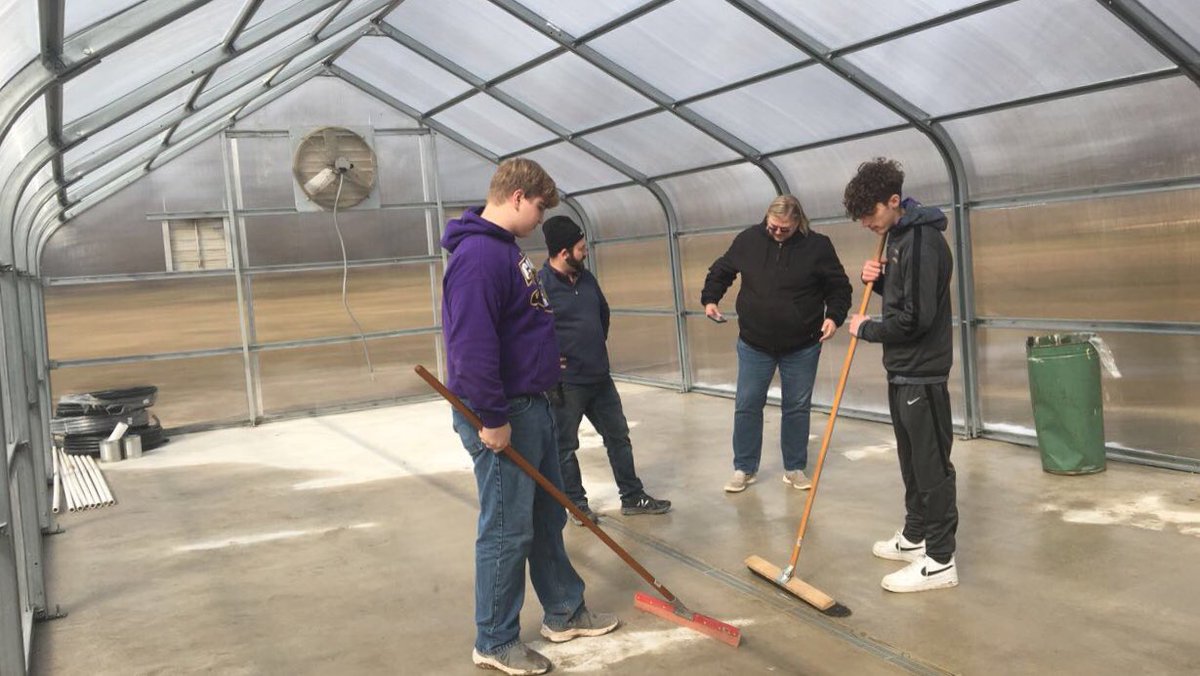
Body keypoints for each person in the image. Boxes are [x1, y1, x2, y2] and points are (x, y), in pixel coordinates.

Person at [441, 158, 618, 675]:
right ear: (517, 196)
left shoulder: (504, 250)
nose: (542, 218)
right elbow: (471, 347)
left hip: (533, 403)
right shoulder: (477, 257)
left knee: (546, 515)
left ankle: (564, 609)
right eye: (540, 207)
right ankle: (494, 639)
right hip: (504, 412)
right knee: (505, 528)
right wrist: (491, 417)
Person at [844, 157, 959, 594]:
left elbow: (918, 318)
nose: (866, 224)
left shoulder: (923, 240)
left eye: (870, 214)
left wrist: (867, 328)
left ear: (894, 201)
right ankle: (915, 537)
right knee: (910, 460)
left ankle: (941, 561)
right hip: (902, 369)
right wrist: (877, 276)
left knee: (931, 467)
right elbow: (905, 294)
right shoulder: (897, 236)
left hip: (923, 372)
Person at [701, 194, 852, 494]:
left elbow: (839, 286)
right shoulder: (749, 240)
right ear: (766, 219)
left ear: (798, 221)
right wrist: (710, 298)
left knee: (796, 407)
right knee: (747, 404)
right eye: (773, 227)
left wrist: (834, 317)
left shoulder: (817, 247)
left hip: (803, 344)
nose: (778, 233)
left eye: (785, 228)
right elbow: (722, 270)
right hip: (754, 343)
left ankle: (794, 467)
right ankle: (744, 468)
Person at [537, 215, 672, 526]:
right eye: (581, 248)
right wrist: (549, 361)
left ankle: (632, 496)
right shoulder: (541, 286)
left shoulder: (586, 279)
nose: (586, 252)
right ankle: (576, 504)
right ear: (563, 252)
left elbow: (603, 313)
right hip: (566, 383)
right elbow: (531, 331)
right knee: (566, 445)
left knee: (618, 436)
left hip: (599, 377)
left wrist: (594, 345)